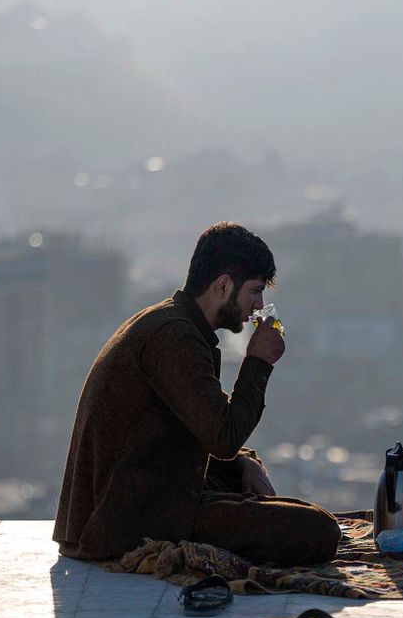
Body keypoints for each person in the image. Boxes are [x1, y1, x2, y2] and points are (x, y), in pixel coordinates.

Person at [53, 222, 341, 564]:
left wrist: (239, 464)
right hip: (129, 519)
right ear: (223, 285)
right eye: (254, 291)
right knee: (318, 530)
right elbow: (222, 437)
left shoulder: (173, 324)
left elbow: (204, 429)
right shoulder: (174, 337)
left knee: (245, 472)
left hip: (149, 490)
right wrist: (258, 363)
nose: (258, 306)